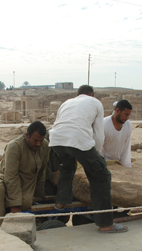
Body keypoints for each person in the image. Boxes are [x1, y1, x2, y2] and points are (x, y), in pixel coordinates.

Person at [48, 85, 128, 233]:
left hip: (56, 140)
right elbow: (98, 134)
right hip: (77, 138)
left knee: (67, 167)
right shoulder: (95, 102)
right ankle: (106, 223)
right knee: (102, 176)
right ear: (91, 94)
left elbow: (60, 123)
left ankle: (61, 202)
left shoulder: (66, 102)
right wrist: (97, 159)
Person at [0, 121, 50, 225]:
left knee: (26, 201)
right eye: (35, 140)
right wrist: (14, 205)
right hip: (4, 175)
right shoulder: (14, 147)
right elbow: (11, 176)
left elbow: (42, 171)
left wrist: (40, 193)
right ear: (27, 135)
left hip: (27, 181)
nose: (38, 144)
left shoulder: (44, 146)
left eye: (41, 141)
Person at [101, 99, 133, 167]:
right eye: (126, 114)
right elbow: (100, 148)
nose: (127, 118)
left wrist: (126, 166)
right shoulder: (104, 124)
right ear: (118, 110)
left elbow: (126, 148)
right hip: (104, 162)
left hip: (118, 163)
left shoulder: (128, 125)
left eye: (128, 115)